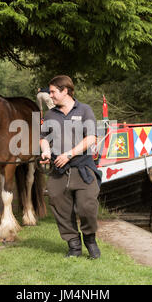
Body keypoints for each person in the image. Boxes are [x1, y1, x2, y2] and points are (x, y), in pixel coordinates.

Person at [40, 75, 102, 259]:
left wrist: (69, 154)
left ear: (65, 90)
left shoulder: (84, 110)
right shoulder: (50, 114)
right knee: (60, 208)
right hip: (58, 172)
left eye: (52, 92)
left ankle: (90, 241)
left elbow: (91, 138)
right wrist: (45, 151)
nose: (50, 95)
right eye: (49, 92)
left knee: (87, 207)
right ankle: (74, 246)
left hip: (83, 169)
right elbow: (43, 138)